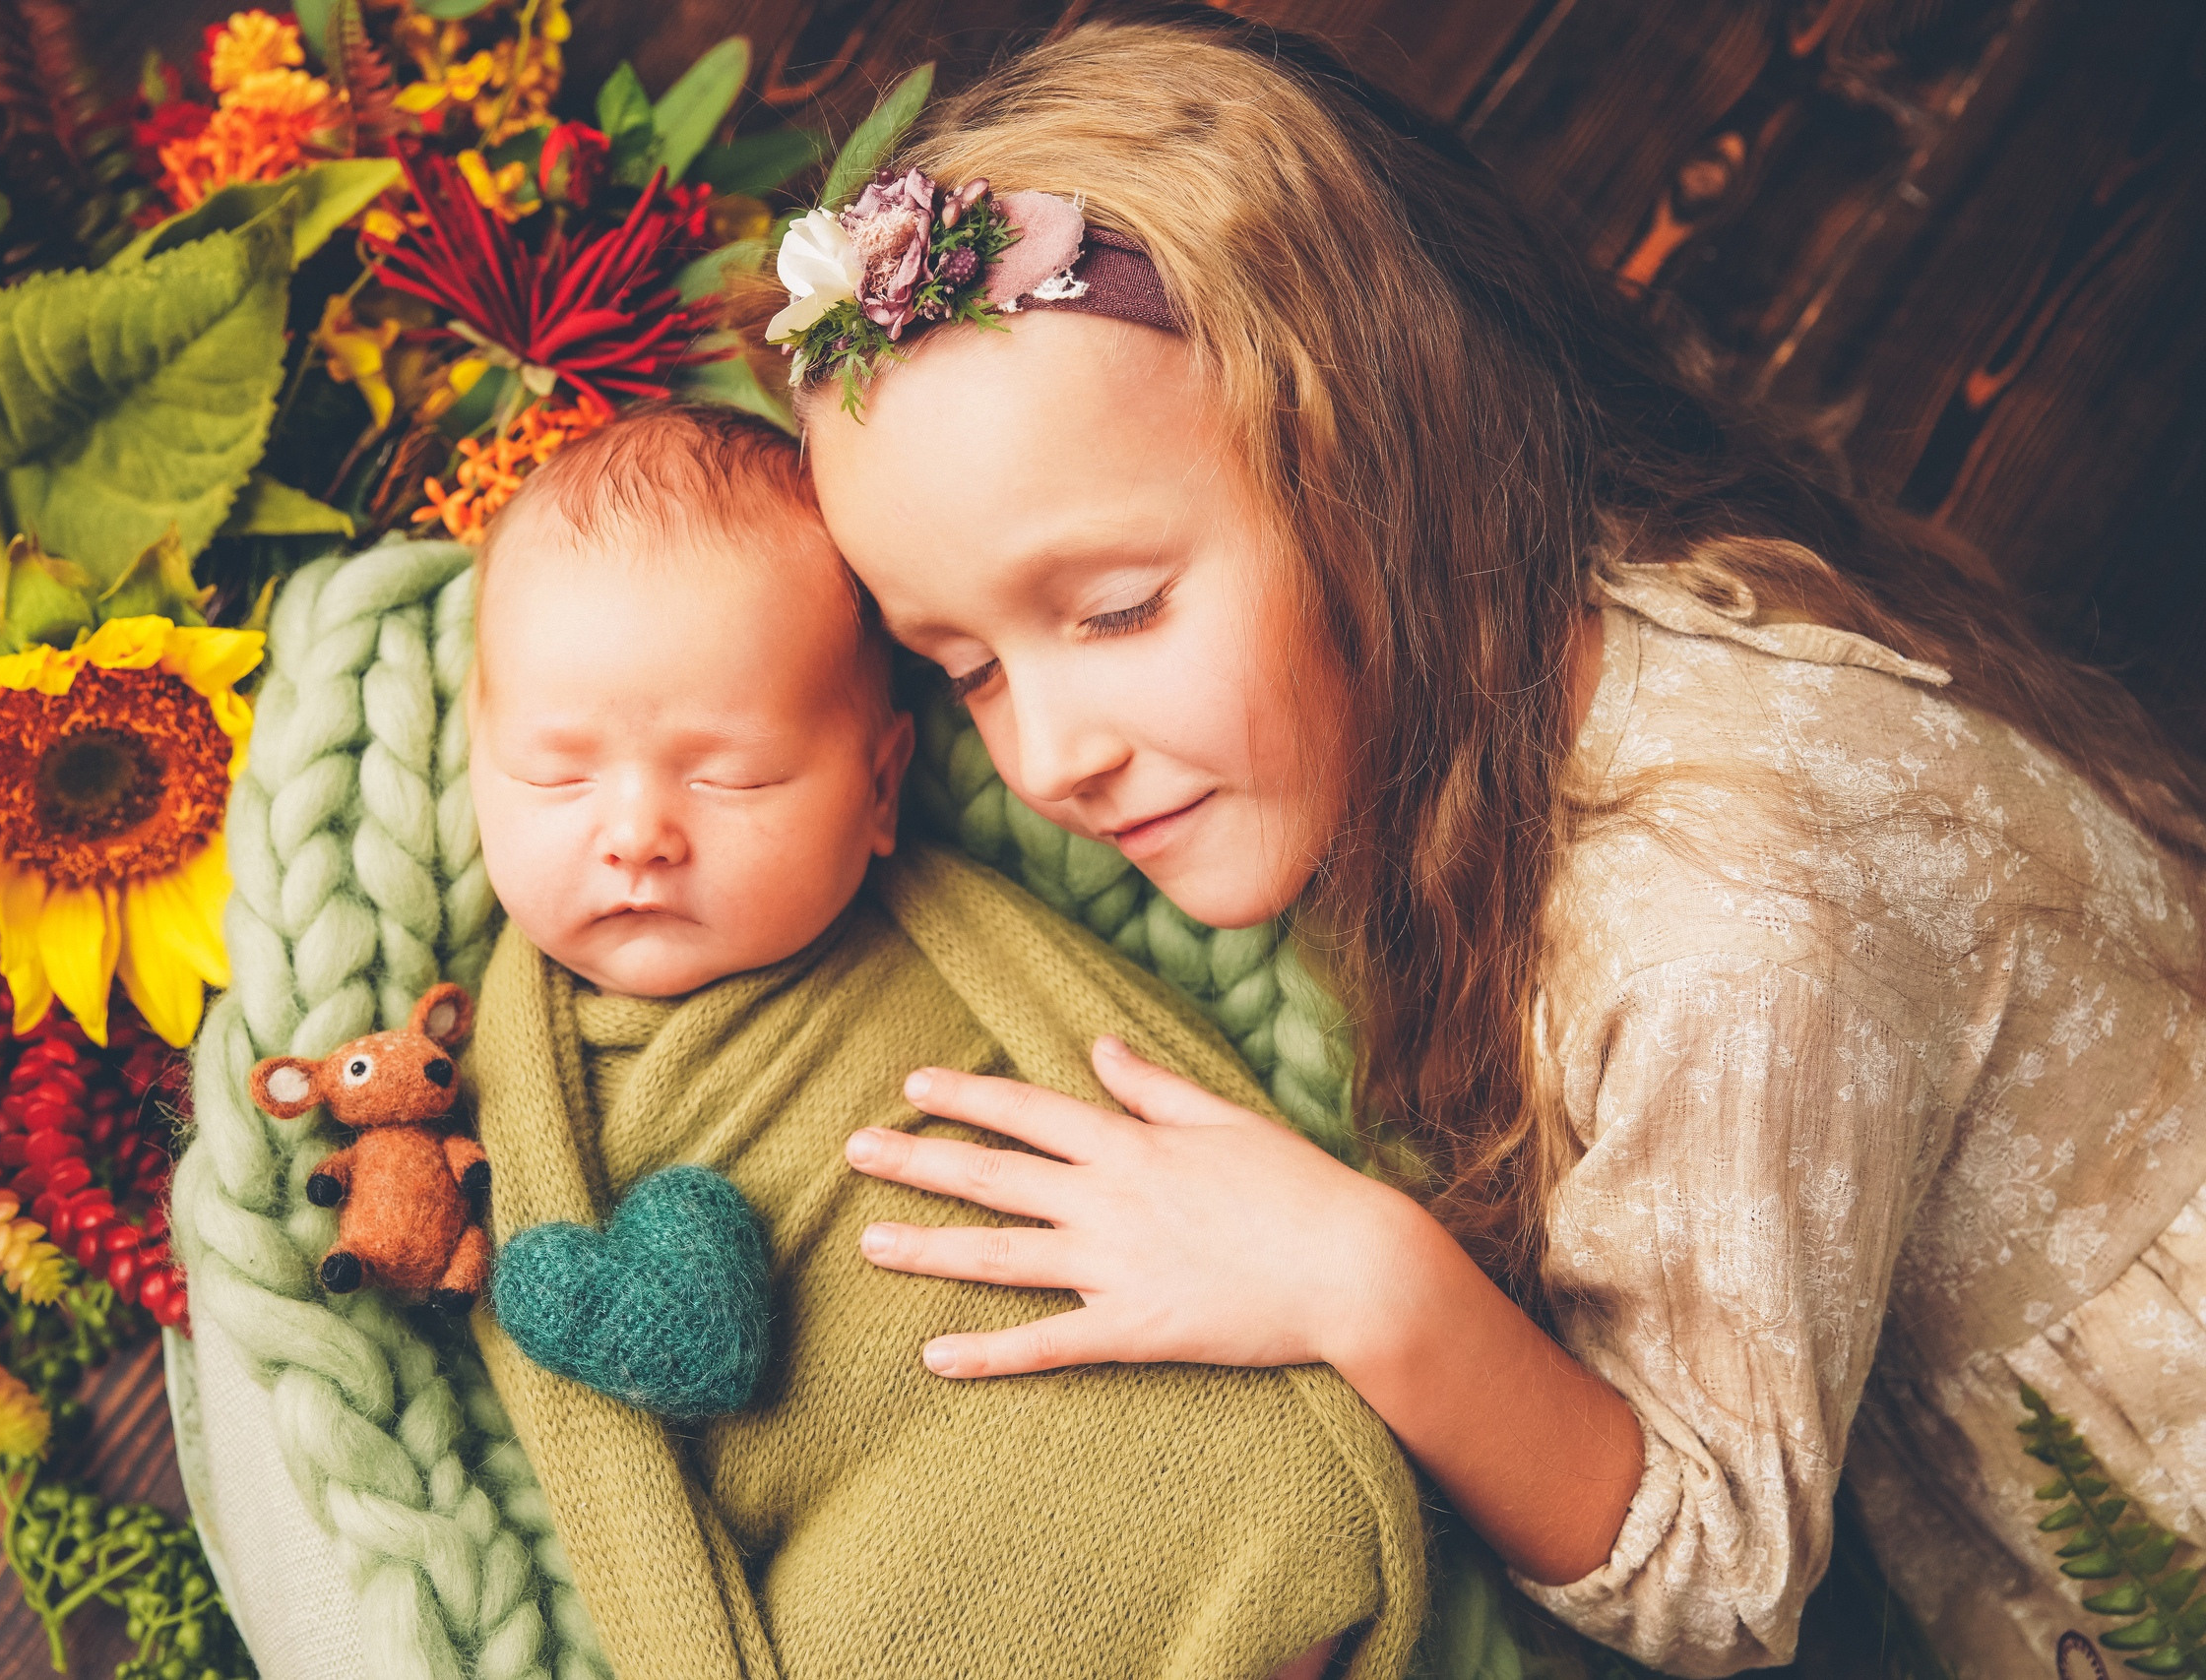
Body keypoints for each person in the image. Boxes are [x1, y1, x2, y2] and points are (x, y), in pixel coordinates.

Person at [764, 9, 2206, 1677]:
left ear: (1371, 462)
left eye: (1120, 610)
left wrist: (1362, 1277)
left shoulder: (1723, 929)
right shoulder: (1489, 650)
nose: (1050, 755)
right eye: (963, 672)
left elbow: (1719, 1579)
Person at [460, 403, 1424, 1680]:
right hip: (871, 1531)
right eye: (554, 775)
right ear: (477, 761)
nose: (636, 832)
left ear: (877, 788)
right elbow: (581, 1455)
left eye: (730, 777)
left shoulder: (960, 938)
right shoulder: (491, 1087)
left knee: (1255, 1482)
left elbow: (1161, 1093)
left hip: (1166, 1433)